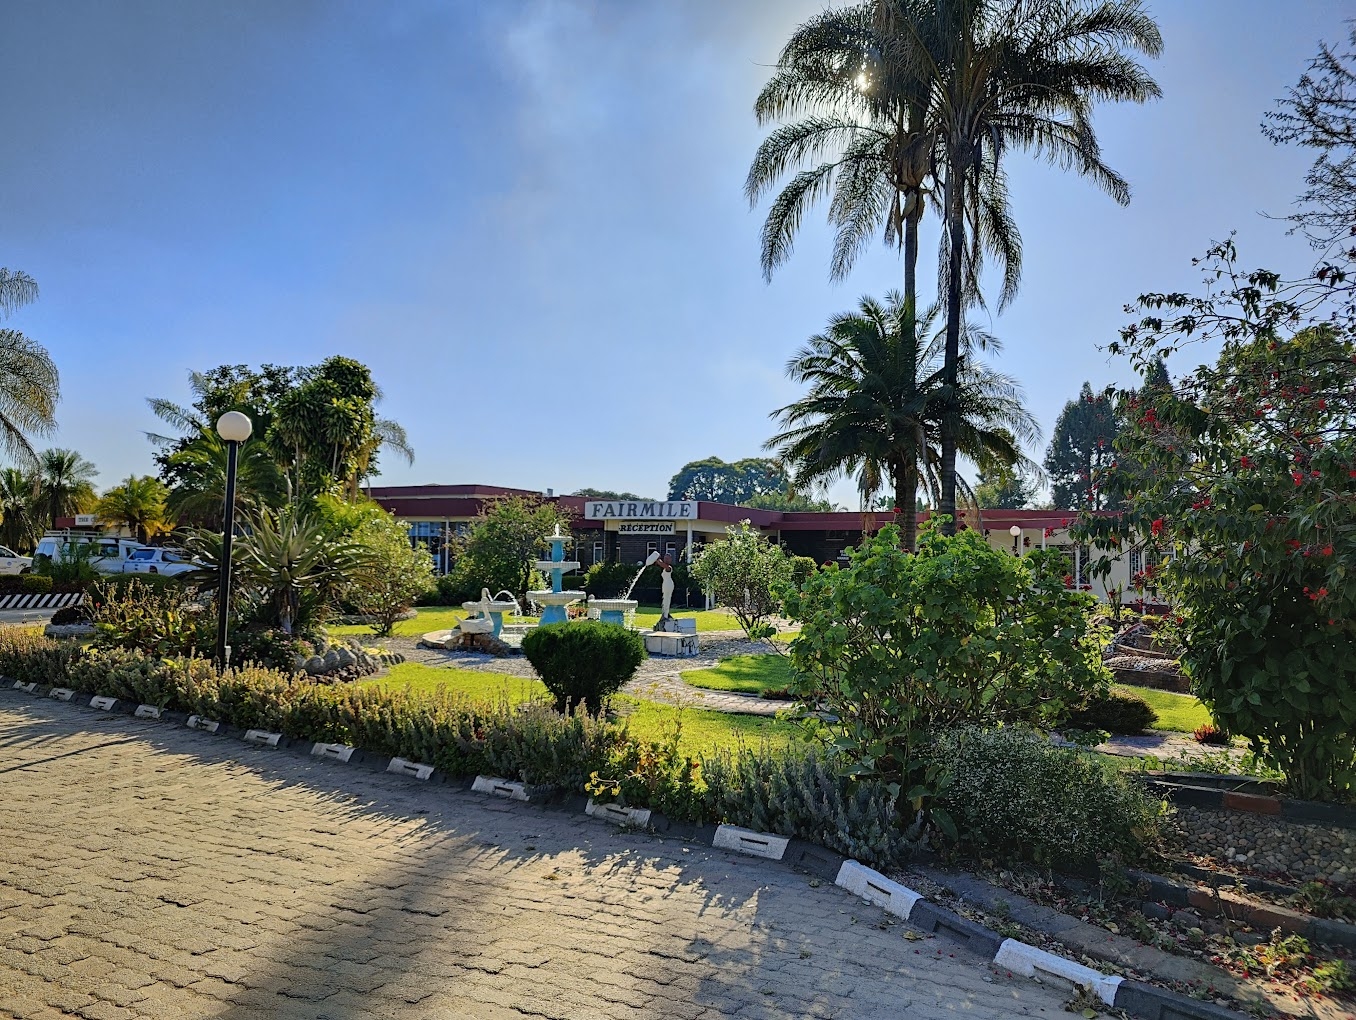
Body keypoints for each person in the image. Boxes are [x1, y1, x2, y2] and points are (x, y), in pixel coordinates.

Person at [658, 554, 675, 623]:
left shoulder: (669, 567)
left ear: (670, 559)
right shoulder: (665, 568)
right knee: (665, 599)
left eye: (667, 558)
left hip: (668, 584)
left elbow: (662, 564)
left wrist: (657, 559)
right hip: (665, 584)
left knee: (667, 599)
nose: (666, 560)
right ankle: (665, 614)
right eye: (665, 558)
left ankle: (665, 615)